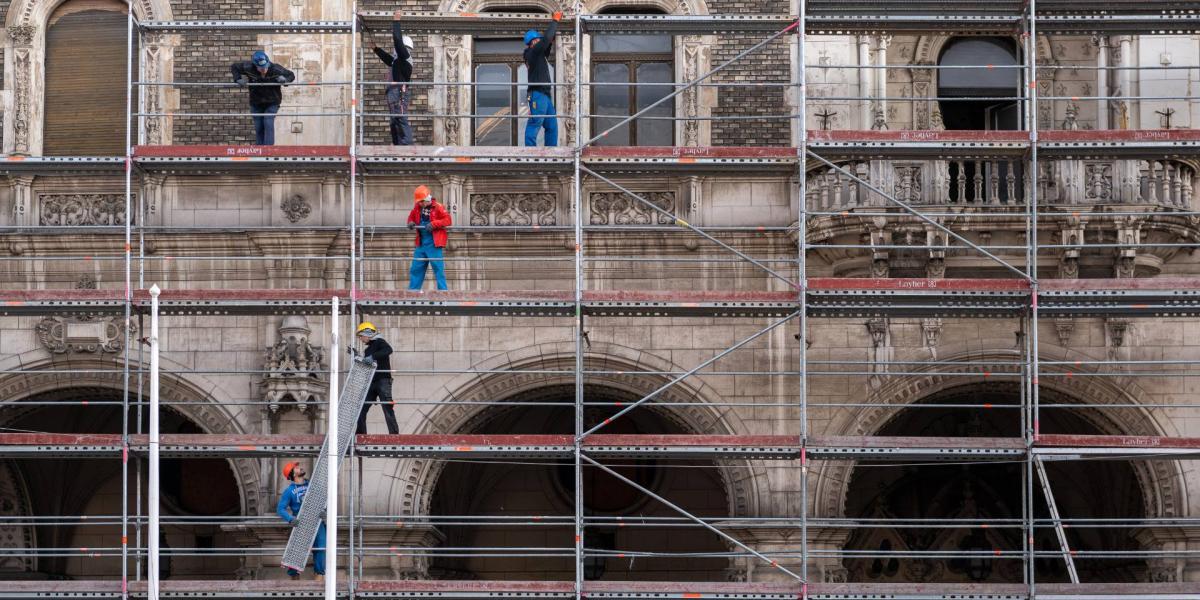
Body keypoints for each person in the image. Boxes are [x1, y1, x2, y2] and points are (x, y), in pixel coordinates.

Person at [231, 51, 296, 145]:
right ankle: (260, 151)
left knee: (268, 122)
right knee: (259, 127)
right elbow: (234, 67)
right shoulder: (248, 67)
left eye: (266, 66)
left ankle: (268, 151)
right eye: (261, 68)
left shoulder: (275, 69)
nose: (264, 69)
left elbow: (291, 75)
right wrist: (237, 79)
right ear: (255, 65)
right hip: (256, 102)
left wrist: (285, 80)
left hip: (272, 101)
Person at [276, 461, 325, 581]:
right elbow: (280, 509)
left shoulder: (312, 485)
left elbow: (323, 499)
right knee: (297, 552)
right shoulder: (289, 491)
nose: (300, 467)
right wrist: (290, 519)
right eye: (296, 467)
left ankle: (319, 577)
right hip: (301, 523)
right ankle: (294, 579)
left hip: (316, 521)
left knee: (321, 547)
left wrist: (324, 510)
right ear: (292, 473)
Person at [372, 20, 415, 145]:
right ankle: (397, 145)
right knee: (394, 120)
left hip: (399, 92)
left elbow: (397, 40)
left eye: (398, 47)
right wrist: (376, 49)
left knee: (400, 117)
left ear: (404, 48)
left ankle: (406, 144)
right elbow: (388, 59)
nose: (395, 50)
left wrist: (396, 22)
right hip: (393, 92)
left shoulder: (405, 58)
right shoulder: (397, 61)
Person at [523, 11, 562, 147]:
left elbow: (546, 45)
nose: (541, 41)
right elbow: (544, 41)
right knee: (535, 123)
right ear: (534, 41)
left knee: (552, 126)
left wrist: (550, 41)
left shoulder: (537, 54)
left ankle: (551, 151)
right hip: (537, 94)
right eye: (538, 40)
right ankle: (530, 152)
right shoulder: (532, 52)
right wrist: (555, 21)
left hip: (545, 95)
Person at [355, 322, 399, 435]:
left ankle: (394, 434)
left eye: (361, 336)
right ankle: (360, 434)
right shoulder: (367, 350)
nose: (361, 339)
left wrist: (373, 357)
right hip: (372, 381)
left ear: (367, 333)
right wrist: (358, 357)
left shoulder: (380, 342)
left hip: (383, 380)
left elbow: (388, 350)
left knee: (387, 407)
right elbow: (367, 364)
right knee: (361, 408)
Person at [406, 185, 451, 291]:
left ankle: (443, 293)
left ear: (427, 199)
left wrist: (434, 224)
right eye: (419, 202)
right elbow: (411, 217)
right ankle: (413, 292)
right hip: (421, 243)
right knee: (416, 268)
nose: (420, 204)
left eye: (422, 202)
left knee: (438, 269)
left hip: (433, 243)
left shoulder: (438, 207)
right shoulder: (418, 207)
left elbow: (448, 220)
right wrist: (410, 222)